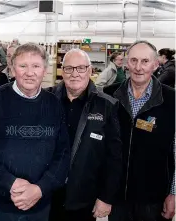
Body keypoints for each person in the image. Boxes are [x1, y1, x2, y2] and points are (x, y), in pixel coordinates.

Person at [0, 43, 70, 221]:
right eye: (23, 66)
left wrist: (40, 189)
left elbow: (63, 155)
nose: (30, 73)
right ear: (13, 69)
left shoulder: (54, 105)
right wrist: (10, 182)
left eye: (36, 66)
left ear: (44, 70)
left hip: (38, 207)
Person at [103, 40, 175, 221]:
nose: (138, 67)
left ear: (155, 64)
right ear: (127, 63)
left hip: (154, 198)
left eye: (145, 61)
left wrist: (173, 193)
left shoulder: (172, 100)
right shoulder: (108, 95)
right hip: (116, 196)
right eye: (134, 60)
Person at [47, 49, 122, 221]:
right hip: (47, 195)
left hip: (84, 198)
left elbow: (114, 158)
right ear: (61, 70)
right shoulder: (46, 99)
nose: (75, 74)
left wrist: (106, 197)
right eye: (69, 68)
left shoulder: (107, 106)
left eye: (81, 68)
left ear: (89, 70)